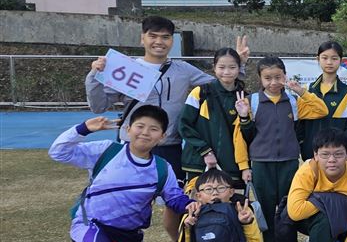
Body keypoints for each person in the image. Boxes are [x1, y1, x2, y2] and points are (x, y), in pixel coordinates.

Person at [50, 106, 195, 242]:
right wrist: (83, 129)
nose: (145, 132)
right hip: (90, 225)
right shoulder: (107, 151)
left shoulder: (161, 168)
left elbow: (174, 198)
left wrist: (190, 204)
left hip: (129, 236)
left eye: (153, 129)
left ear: (162, 136)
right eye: (140, 126)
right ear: (128, 129)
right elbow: (58, 152)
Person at [85, 16, 250, 178]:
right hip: (133, 144)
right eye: (153, 36)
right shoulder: (127, 68)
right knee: (132, 192)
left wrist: (238, 63)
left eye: (165, 37)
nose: (159, 41)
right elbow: (99, 107)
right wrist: (94, 75)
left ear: (172, 40)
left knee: (171, 194)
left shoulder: (183, 69)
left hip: (170, 145)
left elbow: (222, 84)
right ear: (142, 39)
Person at [238, 56, 329, 242]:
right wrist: (244, 166)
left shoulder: (293, 101)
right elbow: (240, 138)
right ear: (260, 78)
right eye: (267, 78)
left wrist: (301, 91)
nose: (273, 82)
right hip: (261, 163)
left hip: (289, 161)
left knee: (289, 205)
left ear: (285, 76)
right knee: (266, 206)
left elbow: (322, 110)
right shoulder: (251, 102)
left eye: (278, 77)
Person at [179, 47, 252, 189]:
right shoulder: (200, 92)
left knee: (228, 202)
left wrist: (244, 118)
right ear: (214, 68)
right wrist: (206, 151)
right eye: (222, 67)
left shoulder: (245, 98)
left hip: (231, 166)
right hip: (198, 163)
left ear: (239, 69)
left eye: (232, 67)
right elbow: (184, 125)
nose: (227, 72)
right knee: (197, 200)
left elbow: (247, 136)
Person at [299, 40, 347, 160]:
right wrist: (303, 145)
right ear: (318, 59)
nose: (329, 62)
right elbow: (300, 126)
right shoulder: (306, 90)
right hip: (310, 155)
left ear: (341, 61)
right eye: (324, 58)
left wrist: (341, 149)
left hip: (336, 157)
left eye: (334, 58)